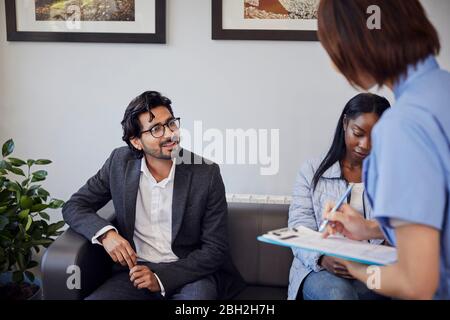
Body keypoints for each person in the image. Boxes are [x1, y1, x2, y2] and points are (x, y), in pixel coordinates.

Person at [317, 0, 450, 299]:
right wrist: (369, 229)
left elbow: (416, 282)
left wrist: (356, 269)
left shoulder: (402, 126)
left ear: (356, 45)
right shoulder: (442, 91)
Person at [62, 91, 245, 300]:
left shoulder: (206, 173)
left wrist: (160, 278)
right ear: (136, 142)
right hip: (133, 273)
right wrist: (106, 235)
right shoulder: (119, 163)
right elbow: (74, 205)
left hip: (190, 273)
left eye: (171, 124)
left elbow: (215, 249)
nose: (169, 134)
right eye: (156, 129)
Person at [288, 93, 390, 300]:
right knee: (338, 295)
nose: (365, 145)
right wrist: (322, 258)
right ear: (345, 123)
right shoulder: (311, 170)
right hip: (319, 270)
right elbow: (299, 227)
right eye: (358, 133)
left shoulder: (393, 176)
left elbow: (401, 231)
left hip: (372, 270)